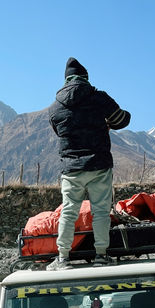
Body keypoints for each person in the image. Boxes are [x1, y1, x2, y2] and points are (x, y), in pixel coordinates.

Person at [47, 57, 131, 271]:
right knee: (100, 212)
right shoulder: (99, 98)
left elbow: (59, 132)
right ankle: (101, 255)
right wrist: (107, 123)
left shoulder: (55, 108)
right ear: (85, 78)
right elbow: (121, 120)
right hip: (99, 165)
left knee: (68, 212)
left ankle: (63, 258)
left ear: (66, 80)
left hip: (71, 168)